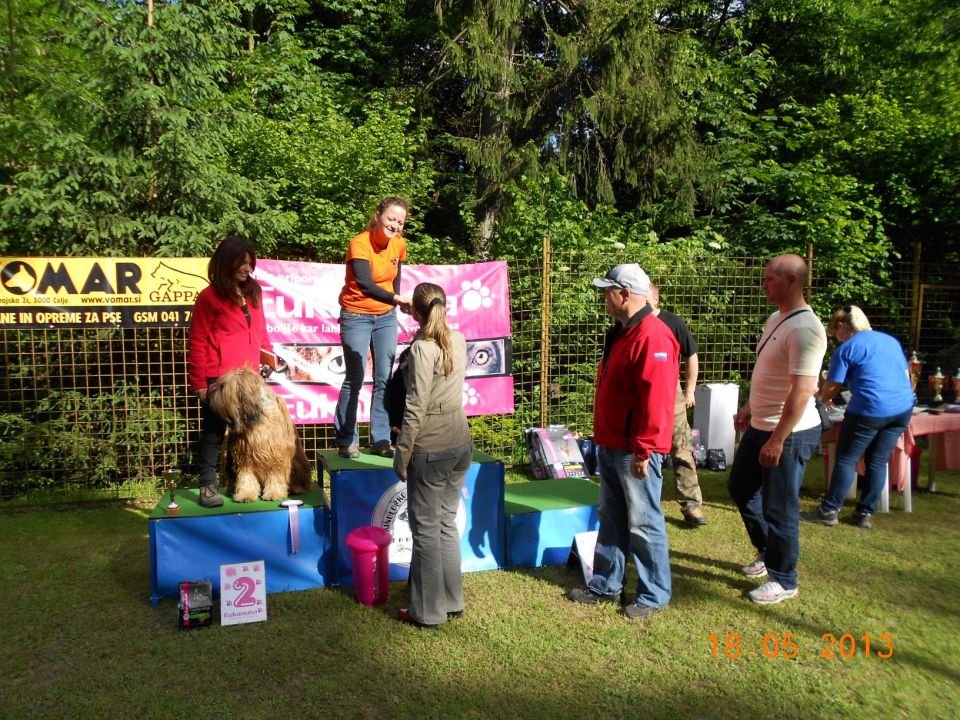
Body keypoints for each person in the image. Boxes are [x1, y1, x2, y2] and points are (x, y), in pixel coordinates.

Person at [566, 264, 679, 619]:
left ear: (625, 294)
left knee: (644, 522)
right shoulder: (622, 332)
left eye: (608, 291)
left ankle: (654, 595)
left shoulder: (653, 336)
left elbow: (657, 400)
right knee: (612, 517)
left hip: (635, 449)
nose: (604, 297)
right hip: (614, 443)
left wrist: (644, 450)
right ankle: (605, 584)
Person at [727, 254, 827, 604]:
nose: (764, 284)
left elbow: (802, 391)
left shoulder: (806, 329)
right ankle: (768, 552)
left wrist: (778, 439)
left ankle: (785, 579)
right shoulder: (777, 318)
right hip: (760, 424)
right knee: (740, 488)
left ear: (793, 281)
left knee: (779, 506)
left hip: (790, 433)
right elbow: (770, 373)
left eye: (770, 279)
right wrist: (749, 408)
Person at [392, 283, 472, 628]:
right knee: (444, 523)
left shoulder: (423, 349)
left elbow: (415, 408)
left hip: (432, 446)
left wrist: (402, 453)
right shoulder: (459, 339)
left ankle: (427, 611)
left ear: (415, 313)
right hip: (460, 443)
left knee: (425, 529)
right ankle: (452, 600)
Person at [802, 306, 914, 529]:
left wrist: (822, 399)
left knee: (846, 459)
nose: (836, 339)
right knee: (878, 461)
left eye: (835, 333)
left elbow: (833, 385)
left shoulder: (847, 349)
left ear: (843, 327)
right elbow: (906, 375)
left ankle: (829, 509)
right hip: (902, 409)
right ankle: (864, 513)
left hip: (869, 410)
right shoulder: (889, 340)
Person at [187, 235, 273, 508]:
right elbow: (198, 341)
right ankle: (207, 486)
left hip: (249, 380)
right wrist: (199, 382)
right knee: (213, 433)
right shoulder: (208, 298)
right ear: (226, 263)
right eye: (242, 263)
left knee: (245, 434)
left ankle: (241, 483)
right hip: (219, 381)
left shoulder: (253, 294)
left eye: (250, 263)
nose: (248, 268)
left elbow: (261, 332)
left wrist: (269, 360)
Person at [335, 197, 411, 459]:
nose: (395, 225)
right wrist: (397, 299)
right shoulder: (359, 243)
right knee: (354, 378)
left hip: (386, 317)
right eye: (391, 219)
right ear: (377, 215)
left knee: (383, 379)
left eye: (400, 222)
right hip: (356, 315)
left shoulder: (399, 244)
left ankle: (380, 438)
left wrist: (396, 301)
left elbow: (397, 275)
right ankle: (347, 439)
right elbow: (365, 284)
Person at [648, 282, 708, 527]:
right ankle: (646, 505)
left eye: (648, 299)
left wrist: (690, 390)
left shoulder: (673, 322)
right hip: (644, 395)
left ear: (655, 299)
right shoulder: (629, 323)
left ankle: (692, 506)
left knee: (681, 449)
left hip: (672, 395)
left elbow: (691, 355)